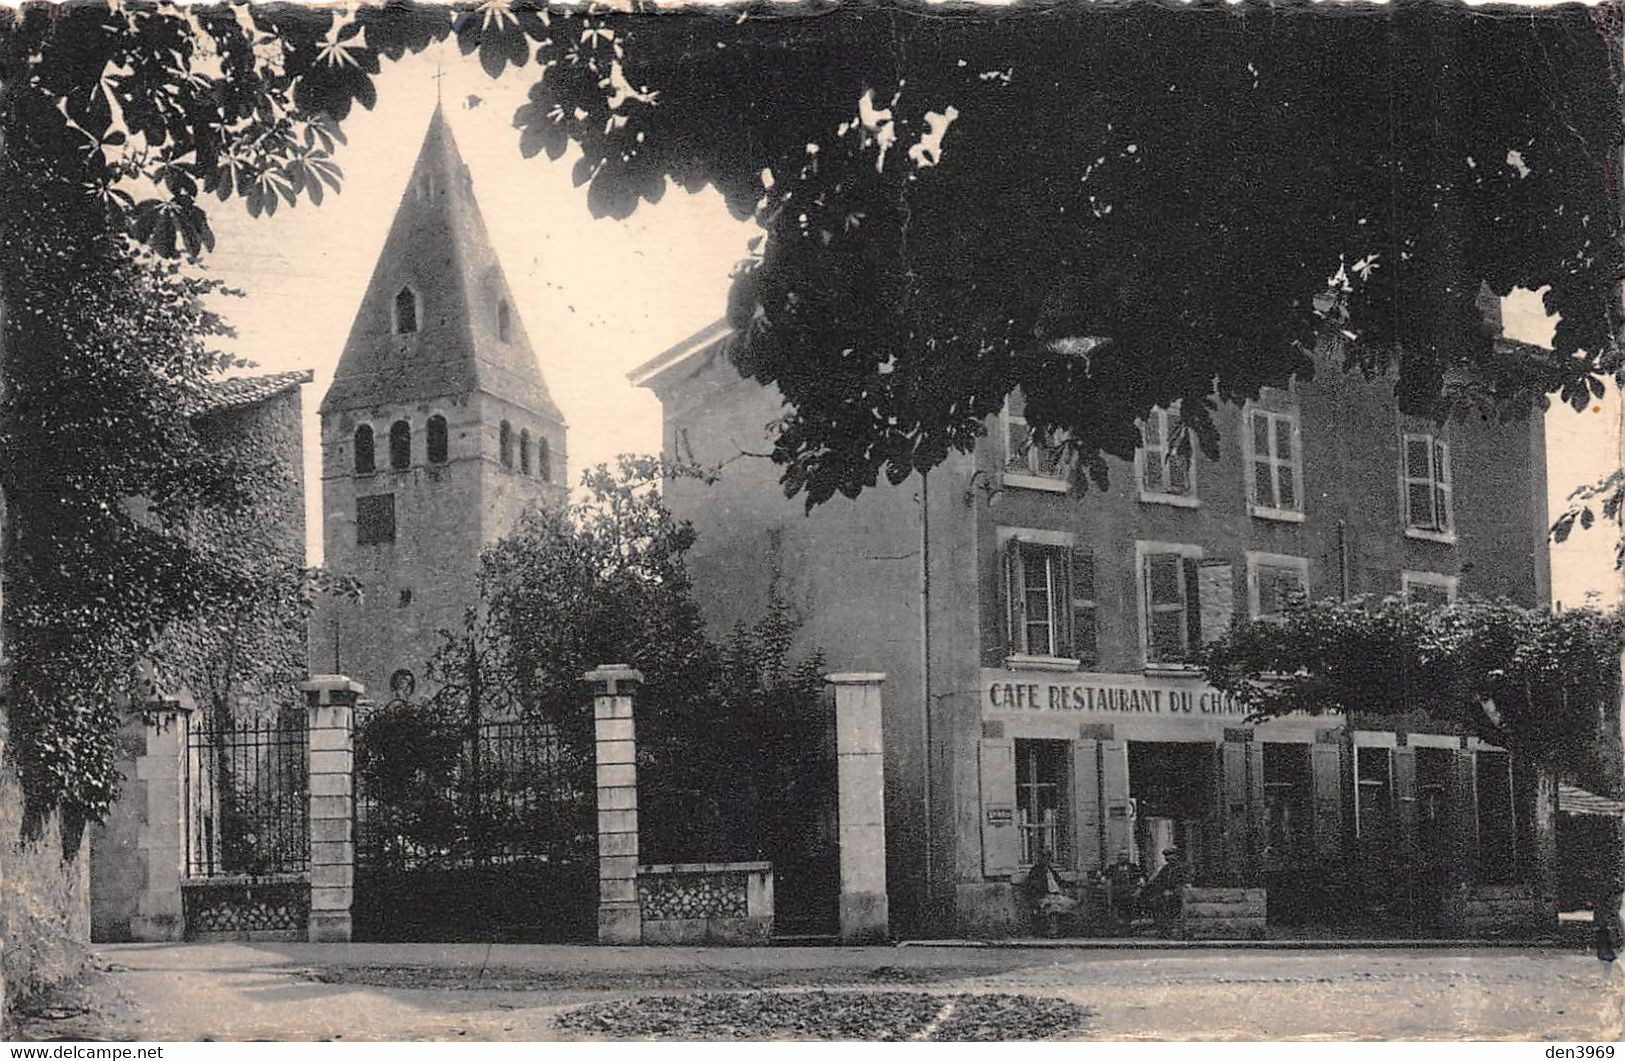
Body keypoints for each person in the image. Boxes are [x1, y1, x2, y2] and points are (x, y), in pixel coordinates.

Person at [1023, 849, 1079, 937]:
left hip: (1056, 895)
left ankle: (1068, 930)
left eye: (1048, 858)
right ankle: (1053, 930)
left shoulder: (1051, 870)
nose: (1046, 860)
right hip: (1043, 896)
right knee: (1054, 907)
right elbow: (1032, 886)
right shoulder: (1036, 871)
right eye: (1044, 858)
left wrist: (1070, 884)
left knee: (1072, 904)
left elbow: (1060, 881)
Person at [1140, 847, 1190, 929]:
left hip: (1178, 893)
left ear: (1176, 856)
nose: (1169, 858)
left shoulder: (1182, 867)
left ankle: (1169, 925)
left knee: (1167, 902)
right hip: (1165, 893)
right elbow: (1158, 881)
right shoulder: (1165, 868)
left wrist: (1173, 891)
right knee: (1154, 900)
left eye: (1171, 855)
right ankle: (1162, 925)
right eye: (1167, 856)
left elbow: (1183, 881)